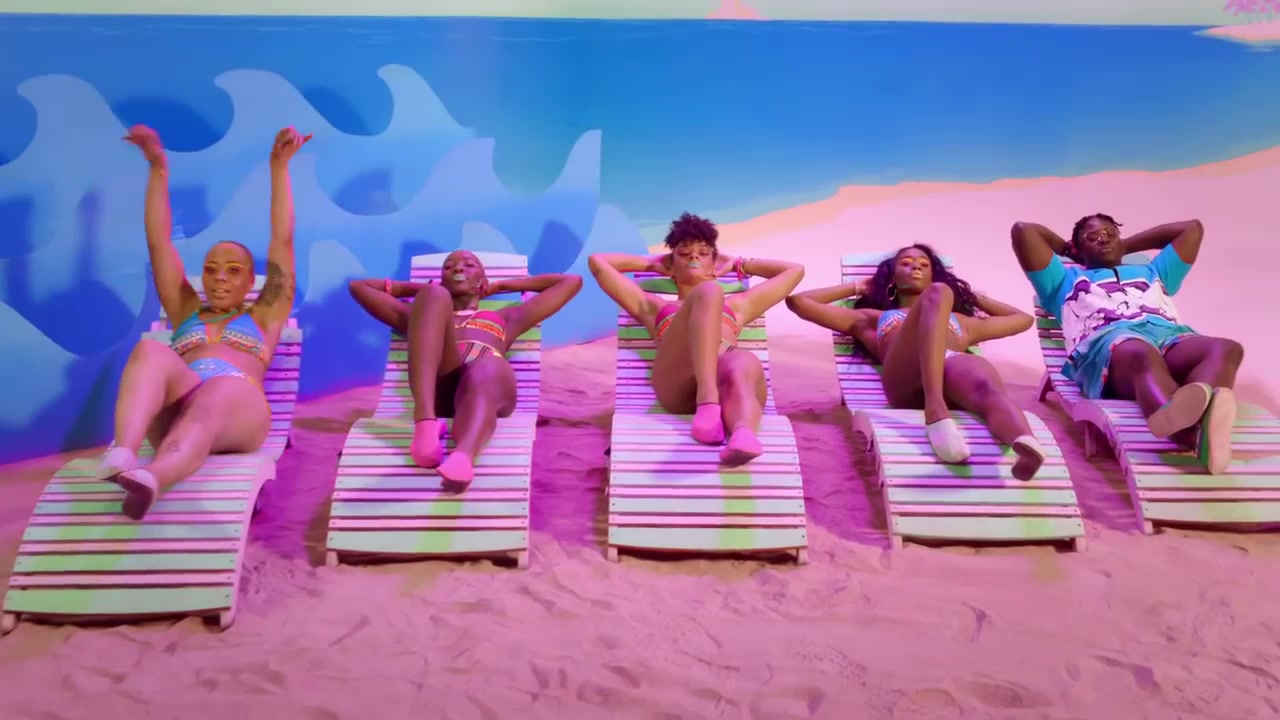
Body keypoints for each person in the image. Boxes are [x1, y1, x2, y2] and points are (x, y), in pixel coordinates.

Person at [97, 125, 310, 519]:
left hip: (238, 409)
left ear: (251, 281)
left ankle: (153, 479)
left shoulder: (265, 315)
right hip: (178, 403)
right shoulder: (185, 309)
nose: (219, 278)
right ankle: (124, 453)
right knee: (150, 350)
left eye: (233, 270)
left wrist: (279, 168)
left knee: (217, 392)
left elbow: (283, 240)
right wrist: (158, 167)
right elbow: (159, 242)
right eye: (211, 269)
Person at [786, 244, 1046, 478]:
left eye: (924, 264)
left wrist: (968, 295)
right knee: (939, 294)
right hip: (906, 378)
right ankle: (935, 409)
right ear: (892, 277)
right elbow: (799, 302)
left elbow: (1022, 319)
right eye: (906, 263)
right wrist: (858, 287)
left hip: (952, 370)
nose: (916, 267)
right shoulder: (871, 318)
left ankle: (1024, 442)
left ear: (933, 274)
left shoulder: (963, 322)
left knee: (987, 387)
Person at [1011, 215, 1243, 474]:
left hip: (1168, 337)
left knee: (1226, 349)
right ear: (1080, 248)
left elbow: (1192, 229)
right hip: (1111, 345)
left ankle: (1200, 421)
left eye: (1110, 233)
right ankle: (1190, 433)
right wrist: (1067, 250)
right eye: (1092, 236)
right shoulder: (1063, 281)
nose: (1103, 239)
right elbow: (1024, 231)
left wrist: (1125, 246)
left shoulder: (1155, 271)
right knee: (1140, 353)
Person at [349, 252, 582, 491]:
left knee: (487, 364)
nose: (458, 269)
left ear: (482, 280)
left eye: (469, 265)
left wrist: (499, 286)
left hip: (487, 386)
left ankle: (463, 458)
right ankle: (425, 423)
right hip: (442, 389)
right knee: (433, 296)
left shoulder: (506, 317)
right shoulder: (419, 318)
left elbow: (570, 281)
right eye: (449, 267)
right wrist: (428, 290)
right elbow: (360, 287)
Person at [588, 212, 804, 465]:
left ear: (714, 267)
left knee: (743, 361)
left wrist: (739, 264)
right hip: (678, 384)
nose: (694, 257)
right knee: (709, 292)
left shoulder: (738, 306)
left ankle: (743, 434)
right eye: (684, 253)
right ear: (671, 267)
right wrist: (653, 264)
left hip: (727, 379)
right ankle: (707, 400)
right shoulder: (653, 307)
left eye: (703, 253)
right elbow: (597, 262)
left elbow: (794, 271)